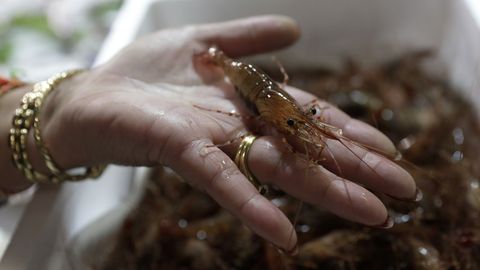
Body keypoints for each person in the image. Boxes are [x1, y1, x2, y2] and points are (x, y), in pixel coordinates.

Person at [0, 15, 417, 255]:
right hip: (242, 79)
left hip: (259, 88)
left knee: (301, 124)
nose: (298, 125)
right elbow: (271, 117)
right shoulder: (255, 96)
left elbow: (284, 115)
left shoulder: (284, 109)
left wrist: (55, 109)